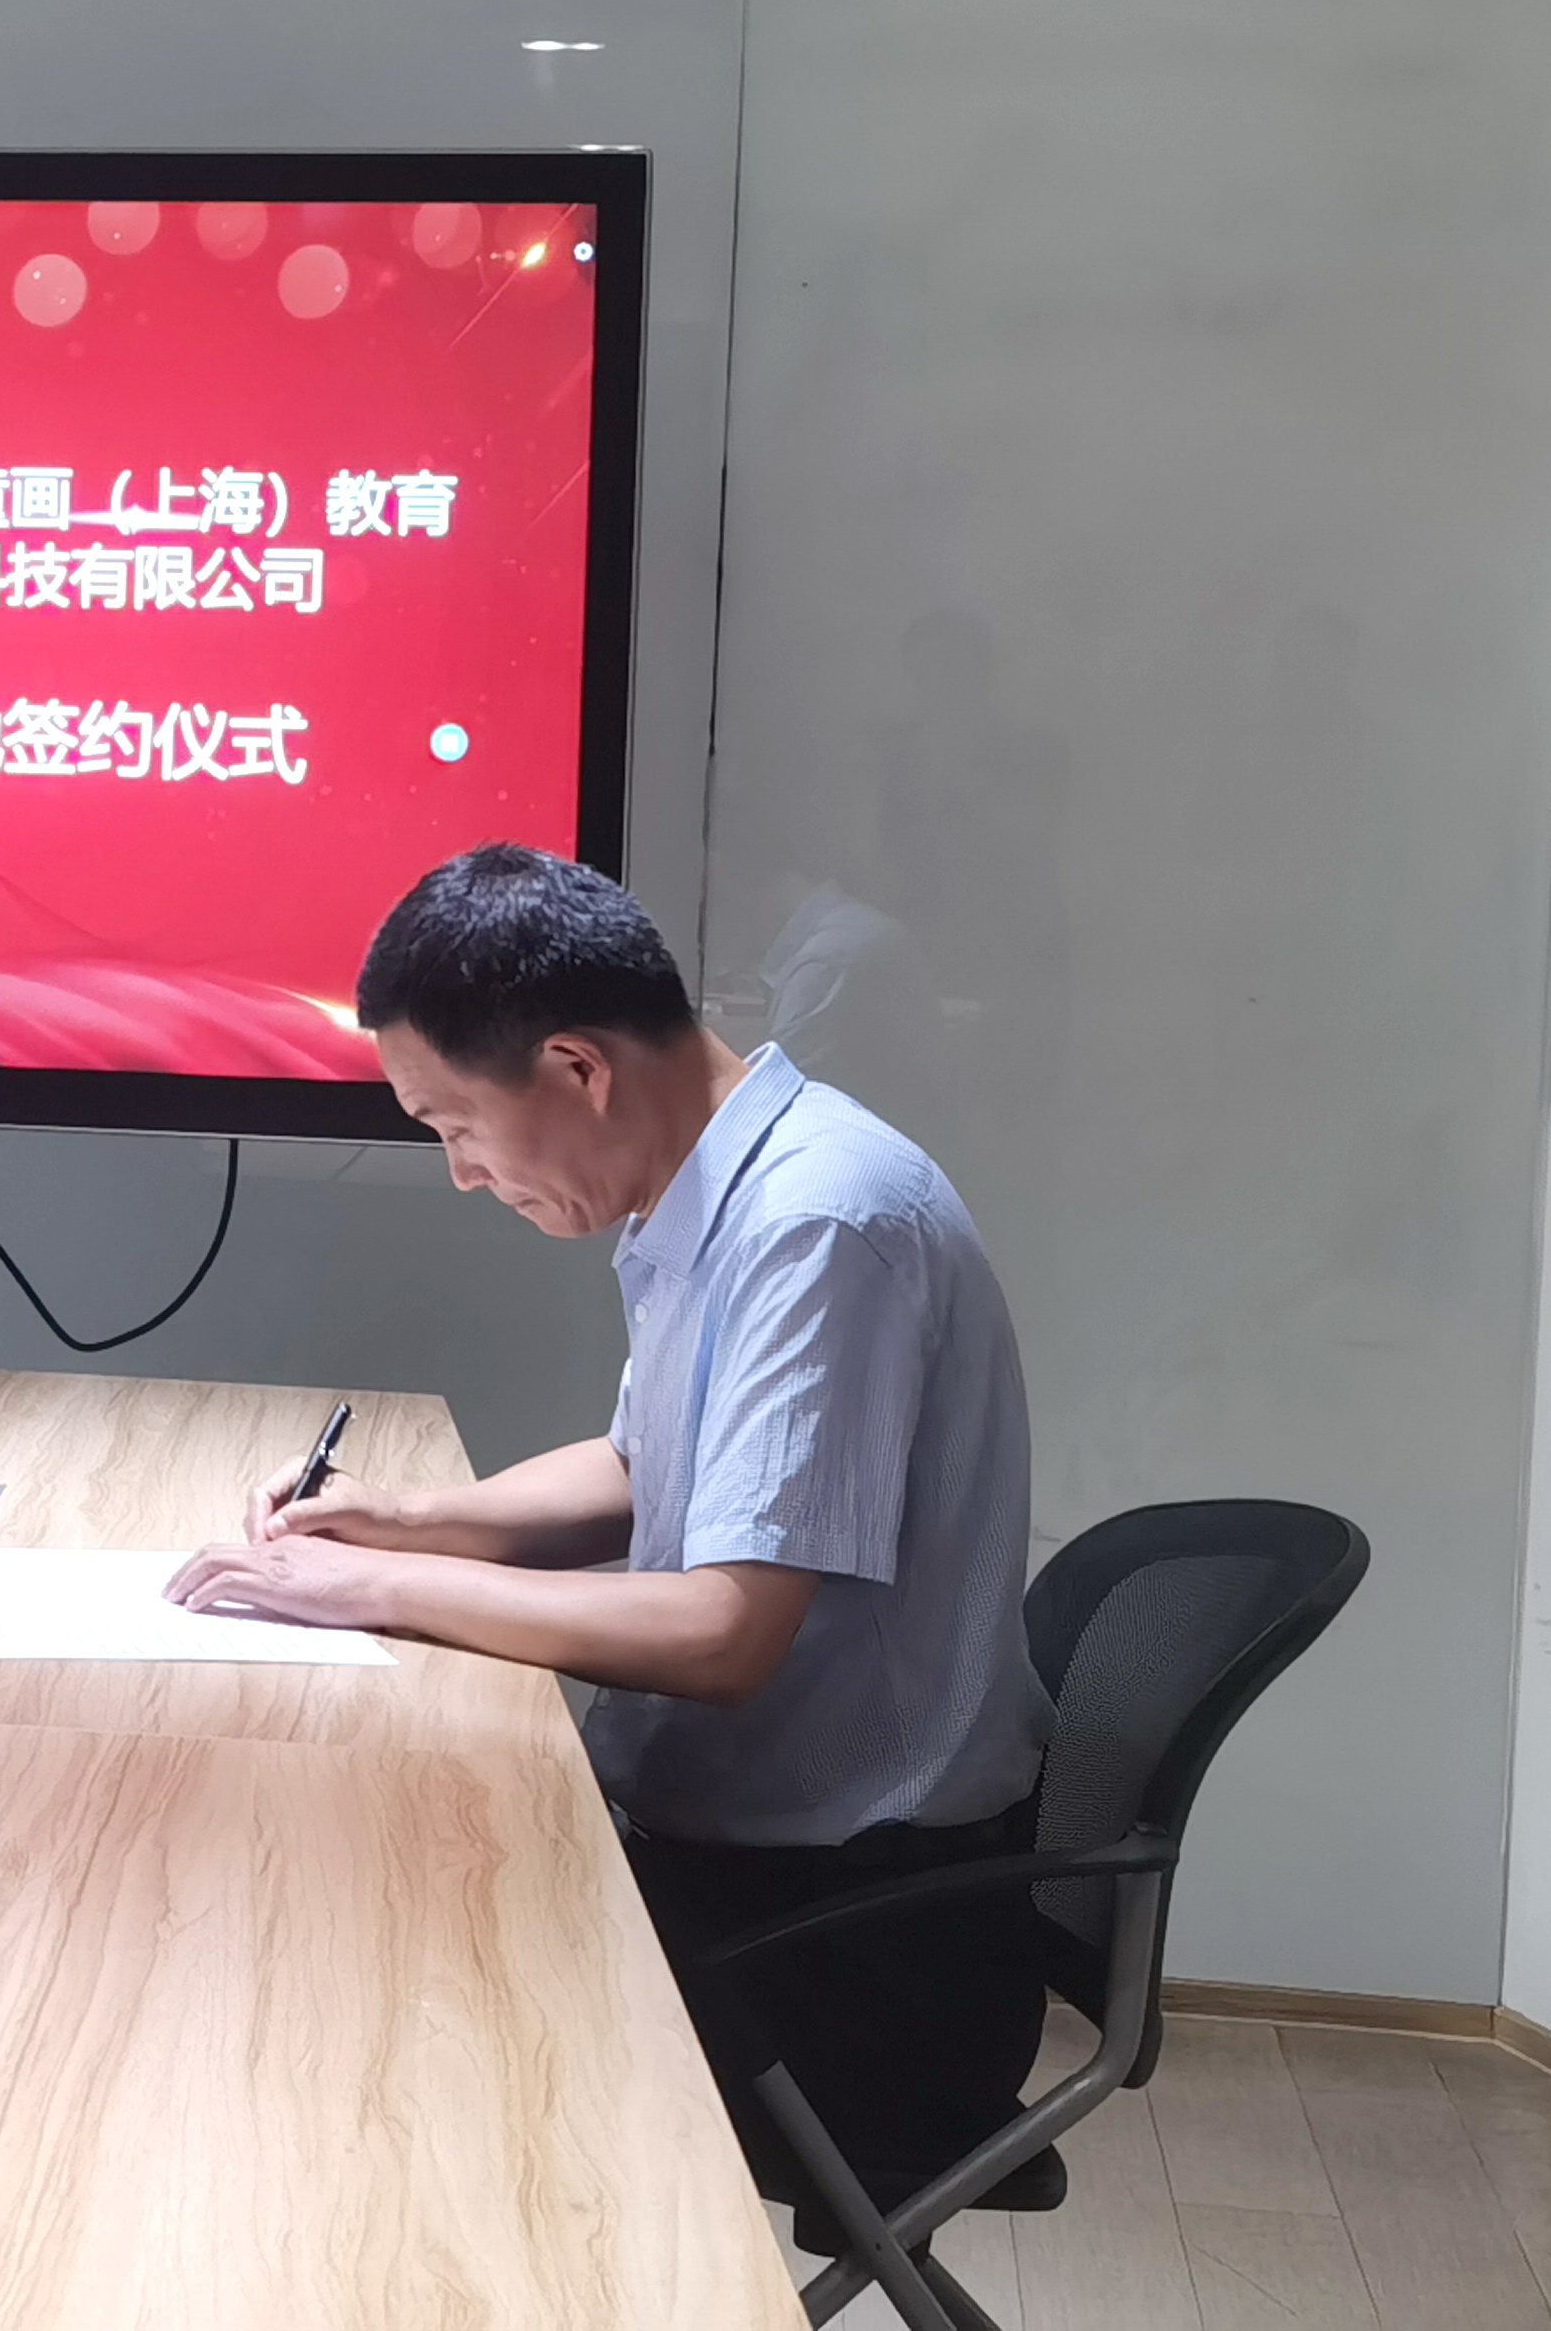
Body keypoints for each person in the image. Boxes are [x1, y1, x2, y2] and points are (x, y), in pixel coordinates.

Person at [167, 843, 1053, 2213]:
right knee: (330, 1911)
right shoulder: (722, 1181)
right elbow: (648, 1467)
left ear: (577, 1068)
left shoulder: (817, 1221)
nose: (462, 1174)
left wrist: (367, 1595)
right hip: (752, 1862)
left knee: (343, 1992)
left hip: (852, 1945)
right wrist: (399, 1523)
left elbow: (721, 1633)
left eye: (455, 1125)